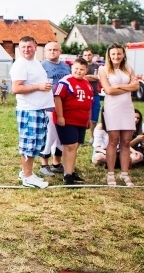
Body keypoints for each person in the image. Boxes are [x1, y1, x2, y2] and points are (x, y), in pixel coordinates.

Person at [10, 36, 52, 189]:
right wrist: (39, 87)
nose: (26, 49)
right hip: (28, 110)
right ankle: (27, 177)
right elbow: (16, 89)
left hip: (38, 108)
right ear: (19, 49)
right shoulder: (20, 65)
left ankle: (26, 172)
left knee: (36, 143)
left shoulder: (36, 63)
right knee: (29, 143)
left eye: (29, 46)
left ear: (36, 46)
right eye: (23, 47)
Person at [98, 43, 138, 186]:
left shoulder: (128, 69)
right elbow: (108, 90)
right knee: (113, 140)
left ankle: (125, 174)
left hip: (127, 107)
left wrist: (119, 86)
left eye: (119, 54)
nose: (116, 56)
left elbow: (136, 86)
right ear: (109, 55)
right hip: (112, 108)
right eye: (113, 54)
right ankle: (111, 174)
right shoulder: (103, 69)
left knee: (126, 141)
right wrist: (127, 88)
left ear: (123, 55)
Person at [53, 57, 93, 185]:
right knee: (69, 145)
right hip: (68, 119)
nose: (78, 71)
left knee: (75, 146)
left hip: (80, 120)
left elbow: (89, 103)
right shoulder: (66, 81)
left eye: (82, 69)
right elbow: (58, 97)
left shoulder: (87, 84)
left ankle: (70, 171)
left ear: (86, 70)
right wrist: (60, 116)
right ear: (71, 68)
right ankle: (68, 175)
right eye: (76, 68)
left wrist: (88, 119)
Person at [39, 42, 70, 177]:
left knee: (60, 136)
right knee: (49, 135)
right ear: (45, 52)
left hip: (64, 106)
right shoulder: (41, 66)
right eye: (49, 50)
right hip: (48, 106)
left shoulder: (66, 67)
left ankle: (56, 163)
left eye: (55, 49)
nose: (52, 52)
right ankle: (44, 164)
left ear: (60, 51)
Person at [81, 48, 101, 136]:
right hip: (84, 94)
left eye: (89, 55)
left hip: (95, 94)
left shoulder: (97, 66)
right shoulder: (81, 66)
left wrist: (87, 76)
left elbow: (99, 77)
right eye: (85, 55)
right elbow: (82, 77)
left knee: (94, 117)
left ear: (93, 55)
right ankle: (82, 134)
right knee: (84, 116)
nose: (87, 57)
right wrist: (94, 77)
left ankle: (92, 135)